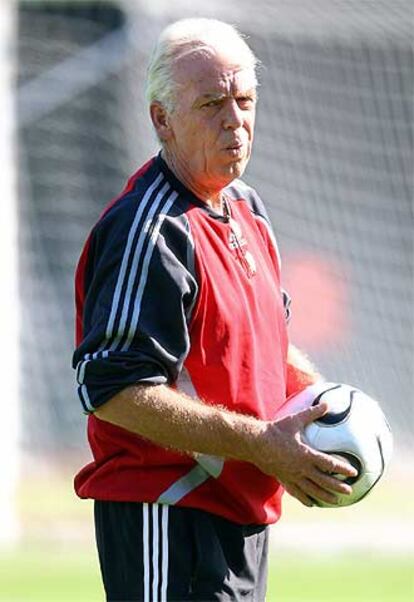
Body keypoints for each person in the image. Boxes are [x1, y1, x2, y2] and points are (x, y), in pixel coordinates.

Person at [73, 18, 356, 601]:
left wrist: (323, 405)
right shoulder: (149, 231)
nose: (234, 119)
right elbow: (114, 388)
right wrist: (260, 442)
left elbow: (263, 344)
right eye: (210, 103)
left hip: (241, 514)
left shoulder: (247, 208)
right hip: (167, 518)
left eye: (244, 99)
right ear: (161, 120)